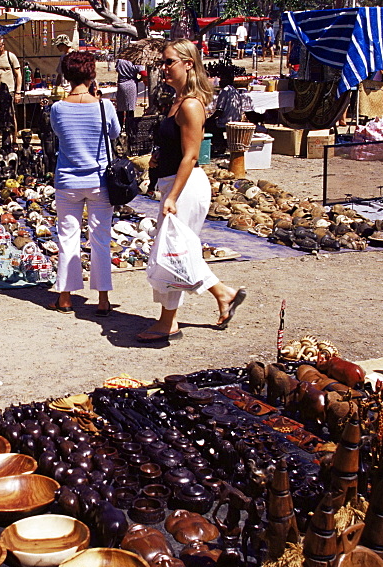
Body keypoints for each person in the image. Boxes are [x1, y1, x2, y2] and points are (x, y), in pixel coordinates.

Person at [137, 39, 246, 342]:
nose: (163, 68)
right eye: (163, 62)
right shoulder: (178, 100)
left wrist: (171, 196)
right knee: (176, 251)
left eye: (168, 62)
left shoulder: (190, 104)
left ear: (187, 63)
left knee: (172, 253)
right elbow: (177, 148)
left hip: (184, 186)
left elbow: (192, 155)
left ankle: (168, 322)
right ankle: (223, 294)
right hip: (174, 183)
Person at [49, 49, 120, 315]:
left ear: (67, 75)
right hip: (99, 180)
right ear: (92, 74)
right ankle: (102, 299)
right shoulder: (104, 106)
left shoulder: (58, 108)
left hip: (67, 181)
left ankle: (65, 297)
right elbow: (114, 133)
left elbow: (59, 135)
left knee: (67, 237)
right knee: (100, 238)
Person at [115, 57, 145, 126]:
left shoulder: (120, 61)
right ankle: (129, 128)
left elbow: (117, 69)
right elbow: (143, 73)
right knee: (130, 109)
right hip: (131, 85)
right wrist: (139, 79)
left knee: (120, 108)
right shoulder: (135, 63)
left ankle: (119, 127)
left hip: (121, 85)